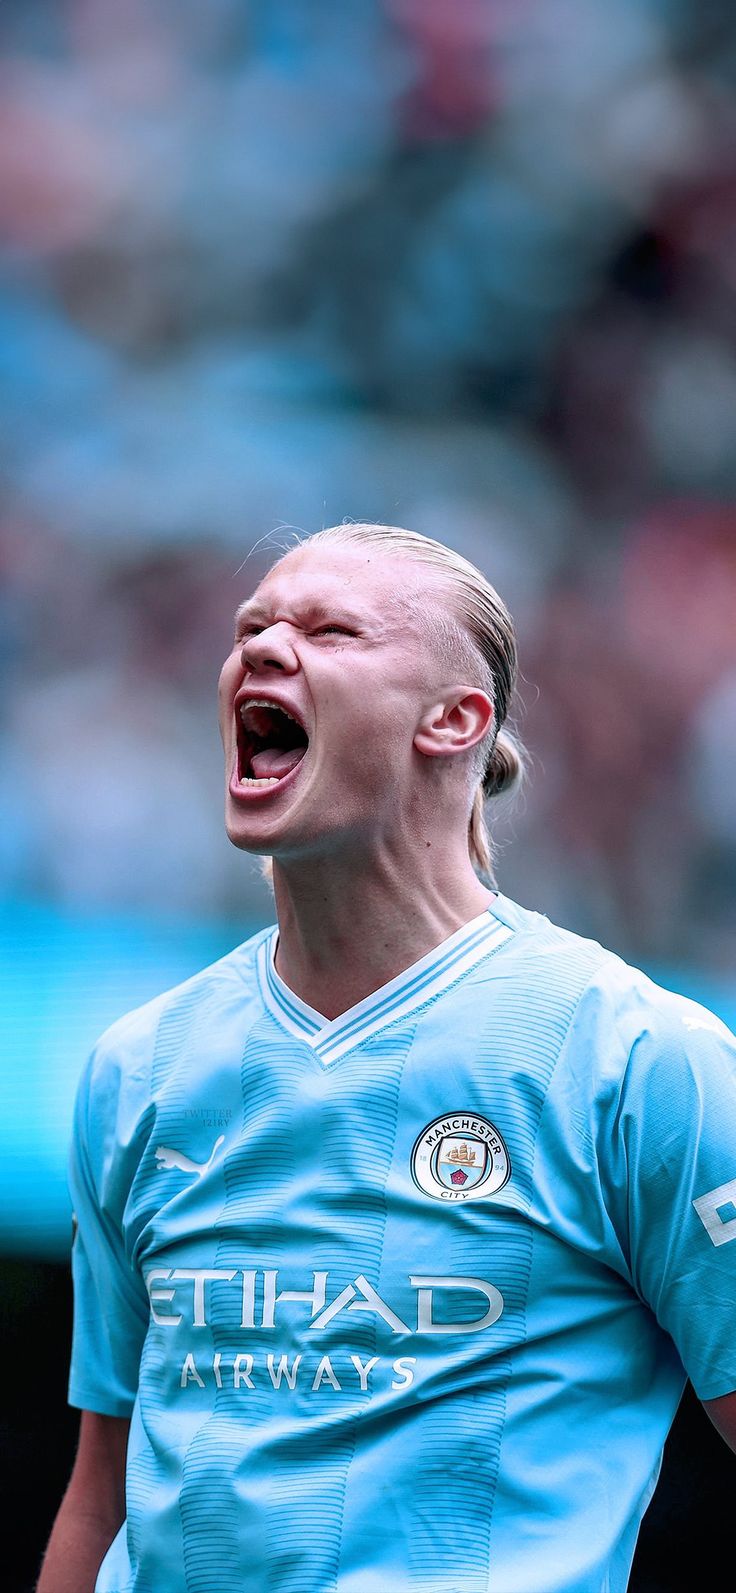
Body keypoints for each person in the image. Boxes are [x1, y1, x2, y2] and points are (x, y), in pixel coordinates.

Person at [39, 522, 736, 1593]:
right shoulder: (142, 1067)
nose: (264, 649)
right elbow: (100, 1499)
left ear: (454, 721)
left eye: (329, 630)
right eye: (253, 628)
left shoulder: (639, 1061)